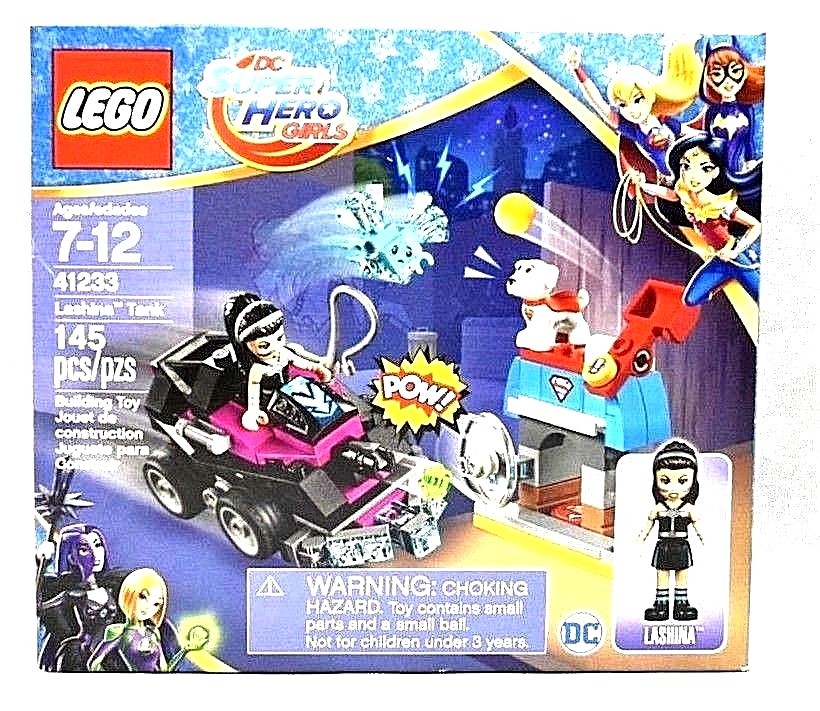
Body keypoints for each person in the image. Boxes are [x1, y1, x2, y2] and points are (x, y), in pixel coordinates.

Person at [628, 132, 760, 305]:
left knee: (762, 298)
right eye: (686, 166)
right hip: (720, 259)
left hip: (737, 255)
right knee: (690, 299)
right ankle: (725, 279)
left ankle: (741, 272)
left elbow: (756, 226)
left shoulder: (722, 204)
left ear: (715, 172)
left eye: (705, 168)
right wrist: (643, 185)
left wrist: (735, 251)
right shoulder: (685, 193)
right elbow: (669, 194)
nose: (693, 176)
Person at [565, 40, 701, 181]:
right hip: (673, 181)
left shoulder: (664, 120)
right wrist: (577, 70)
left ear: (649, 95)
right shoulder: (633, 129)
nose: (632, 110)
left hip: (693, 171)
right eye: (623, 105)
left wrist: (710, 140)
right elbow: (598, 104)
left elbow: (691, 133)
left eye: (637, 100)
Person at [223, 292, 333, 430]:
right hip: (270, 399)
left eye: (279, 338)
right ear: (247, 346)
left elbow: (302, 363)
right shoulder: (258, 368)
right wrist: (254, 411)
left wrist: (317, 367)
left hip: (291, 389)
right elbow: (254, 388)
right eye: (264, 345)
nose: (275, 348)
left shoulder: (284, 353)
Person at [37, 523, 129, 671]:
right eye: (84, 549)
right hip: (76, 660)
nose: (95, 554)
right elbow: (42, 607)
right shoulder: (64, 592)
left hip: (110, 658)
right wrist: (38, 561)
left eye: (97, 545)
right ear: (71, 557)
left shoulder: (114, 585)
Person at [87, 568, 209, 672]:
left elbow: (165, 670)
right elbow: (93, 664)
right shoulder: (117, 631)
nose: (148, 607)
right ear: (129, 593)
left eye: (156, 604)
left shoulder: (153, 632)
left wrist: (185, 650)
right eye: (143, 597)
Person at [638, 439, 704, 622]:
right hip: (664, 546)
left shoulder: (689, 509)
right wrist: (640, 539)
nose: (673, 489)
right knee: (662, 575)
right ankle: (661, 606)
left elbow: (699, 528)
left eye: (682, 481)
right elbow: (647, 527)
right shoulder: (658, 509)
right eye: (665, 481)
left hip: (682, 546)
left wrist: (705, 539)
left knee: (682, 574)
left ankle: (681, 605)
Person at [699, 37, 764, 180]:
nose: (728, 81)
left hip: (740, 172)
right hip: (714, 174)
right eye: (717, 74)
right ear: (708, 78)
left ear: (745, 72)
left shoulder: (747, 109)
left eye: (735, 71)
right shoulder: (712, 112)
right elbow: (705, 142)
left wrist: (751, 161)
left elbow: (749, 142)